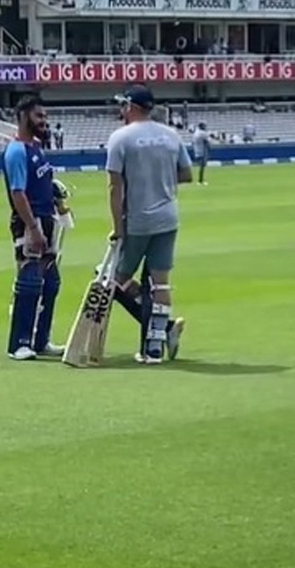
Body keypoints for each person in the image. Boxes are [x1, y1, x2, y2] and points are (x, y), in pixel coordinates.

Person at [106, 85, 192, 364]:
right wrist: (162, 184)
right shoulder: (170, 135)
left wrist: (118, 226)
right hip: (168, 216)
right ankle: (155, 346)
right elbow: (186, 174)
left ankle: (159, 331)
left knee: (113, 281)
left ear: (131, 106)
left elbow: (114, 187)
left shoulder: (120, 138)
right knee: (160, 284)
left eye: (123, 105)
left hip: (138, 220)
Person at [2, 95, 65, 361]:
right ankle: (19, 344)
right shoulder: (17, 151)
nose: (43, 121)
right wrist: (33, 227)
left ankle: (41, 340)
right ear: (24, 116)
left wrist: (57, 199)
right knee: (29, 280)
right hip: (30, 222)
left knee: (51, 282)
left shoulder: (37, 146)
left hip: (47, 218)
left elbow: (39, 183)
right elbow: (18, 193)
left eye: (45, 116)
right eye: (39, 116)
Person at [192, 122, 210, 186]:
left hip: (197, 150)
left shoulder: (196, 133)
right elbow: (207, 142)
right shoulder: (202, 133)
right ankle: (200, 180)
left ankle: (200, 180)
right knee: (202, 167)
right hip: (202, 151)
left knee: (200, 166)